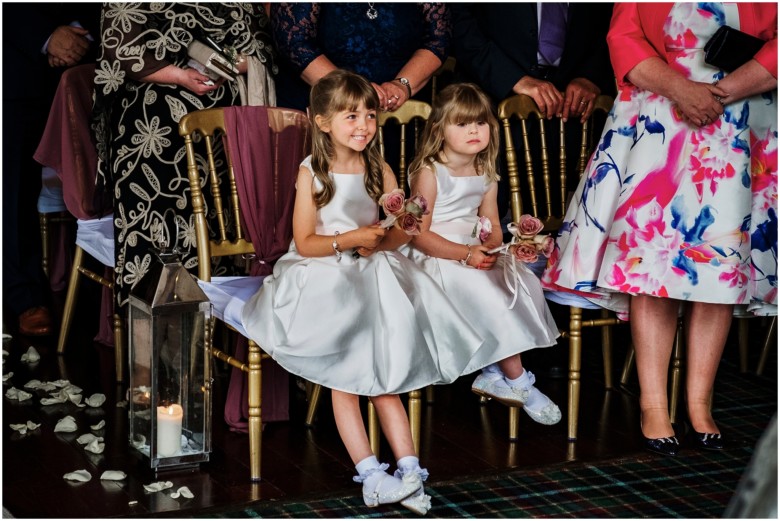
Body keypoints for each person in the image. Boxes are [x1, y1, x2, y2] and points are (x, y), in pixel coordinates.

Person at [240, 70, 490, 514]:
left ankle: (410, 472)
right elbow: (305, 243)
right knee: (347, 377)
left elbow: (393, 237)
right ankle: (372, 474)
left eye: (369, 115)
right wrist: (352, 238)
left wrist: (401, 226)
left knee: (386, 377)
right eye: (350, 116)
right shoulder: (312, 172)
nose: (363, 125)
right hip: (324, 276)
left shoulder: (380, 168)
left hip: (371, 273)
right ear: (321, 122)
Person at [542, 3, 777, 456]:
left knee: (719, 269)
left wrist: (720, 93)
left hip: (740, 122)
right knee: (648, 264)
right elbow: (623, 38)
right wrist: (683, 90)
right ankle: (653, 405)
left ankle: (699, 404)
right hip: (658, 119)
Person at [92, 3, 287, 422]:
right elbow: (120, 42)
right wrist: (179, 74)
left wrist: (241, 62)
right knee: (159, 253)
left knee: (220, 248)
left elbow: (265, 39)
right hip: (156, 133)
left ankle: (203, 374)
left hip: (225, 129)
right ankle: (155, 382)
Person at [403, 83, 562, 425]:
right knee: (485, 292)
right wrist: (465, 255)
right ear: (439, 130)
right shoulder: (430, 174)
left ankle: (492, 371)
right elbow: (419, 236)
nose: (474, 130)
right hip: (437, 256)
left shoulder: (486, 172)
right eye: (461, 124)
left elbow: (490, 223)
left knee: (516, 282)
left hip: (471, 250)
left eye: (480, 122)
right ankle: (518, 381)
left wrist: (502, 249)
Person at [450, 3, 616, 216]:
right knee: (485, 224)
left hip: (568, 111)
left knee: (553, 226)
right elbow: (459, 21)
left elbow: (613, 23)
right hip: (488, 96)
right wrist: (512, 78)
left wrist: (590, 76)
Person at [2, 4, 101, 337]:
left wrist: (79, 31)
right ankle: (24, 296)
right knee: (13, 191)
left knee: (100, 181)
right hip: (16, 62)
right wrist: (46, 37)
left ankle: (102, 291)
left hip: (96, 55)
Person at [270, 3, 450, 113]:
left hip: (398, 116)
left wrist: (401, 85)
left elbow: (438, 39)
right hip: (326, 111)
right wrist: (352, 89)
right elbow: (293, 42)